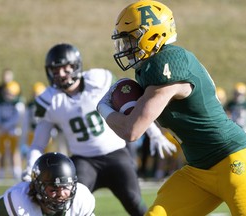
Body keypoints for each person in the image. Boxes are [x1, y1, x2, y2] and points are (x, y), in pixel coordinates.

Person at [97, 1, 246, 215]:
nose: (126, 47)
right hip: (198, 170)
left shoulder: (167, 63)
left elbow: (132, 130)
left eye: (130, 39)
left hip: (233, 160)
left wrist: (104, 108)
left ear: (152, 36)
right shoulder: (149, 69)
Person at [22, 43, 176, 216]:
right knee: (69, 206)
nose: (60, 75)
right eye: (55, 71)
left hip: (116, 154)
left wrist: (154, 133)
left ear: (76, 66)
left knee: (134, 201)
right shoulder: (49, 100)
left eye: (65, 69)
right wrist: (30, 167)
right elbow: (38, 143)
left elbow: (131, 107)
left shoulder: (98, 80)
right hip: (83, 161)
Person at [0, 152, 96, 216]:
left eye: (66, 187)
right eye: (54, 189)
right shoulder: (19, 202)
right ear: (38, 187)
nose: (61, 193)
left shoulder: (81, 199)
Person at [0, 80, 25, 179]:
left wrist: (7, 125)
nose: (7, 95)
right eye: (6, 92)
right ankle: (1, 172)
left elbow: (18, 118)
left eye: (10, 93)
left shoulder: (18, 104)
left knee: (14, 151)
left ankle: (16, 171)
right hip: (2, 130)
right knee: (1, 151)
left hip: (13, 130)